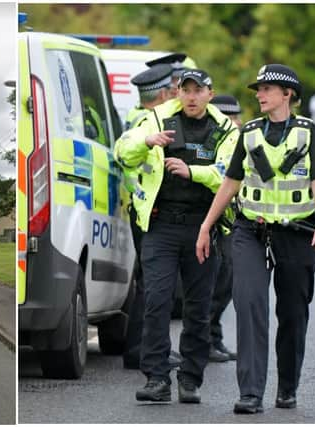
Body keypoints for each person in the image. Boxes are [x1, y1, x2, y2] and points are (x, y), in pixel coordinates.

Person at [195, 64, 315, 414]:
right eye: (259, 89)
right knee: (250, 304)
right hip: (250, 231)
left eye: (267, 89)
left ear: (288, 95)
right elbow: (231, 182)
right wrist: (206, 226)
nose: (259, 94)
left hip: (297, 233)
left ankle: (287, 387)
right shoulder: (250, 133)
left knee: (292, 312)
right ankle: (251, 393)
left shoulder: (308, 132)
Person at [115, 69, 238, 404]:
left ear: (210, 94)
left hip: (203, 226)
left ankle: (190, 378)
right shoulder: (156, 119)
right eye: (186, 90)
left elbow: (229, 174)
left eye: (199, 90)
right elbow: (122, 151)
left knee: (198, 307)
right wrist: (145, 141)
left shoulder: (225, 129)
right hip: (160, 225)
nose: (192, 97)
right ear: (177, 93)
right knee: (157, 300)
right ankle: (156, 378)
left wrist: (192, 172)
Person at [118, 63, 176, 370]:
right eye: (174, 90)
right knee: (153, 284)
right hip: (150, 212)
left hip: (141, 210)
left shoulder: (134, 119)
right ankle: (142, 348)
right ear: (165, 93)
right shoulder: (149, 124)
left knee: (148, 282)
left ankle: (147, 346)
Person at [206, 95, 242, 363]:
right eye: (229, 117)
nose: (236, 122)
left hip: (233, 222)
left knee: (228, 280)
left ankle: (214, 335)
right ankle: (204, 338)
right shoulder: (210, 143)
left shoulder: (241, 142)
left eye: (237, 116)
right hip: (211, 220)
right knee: (214, 281)